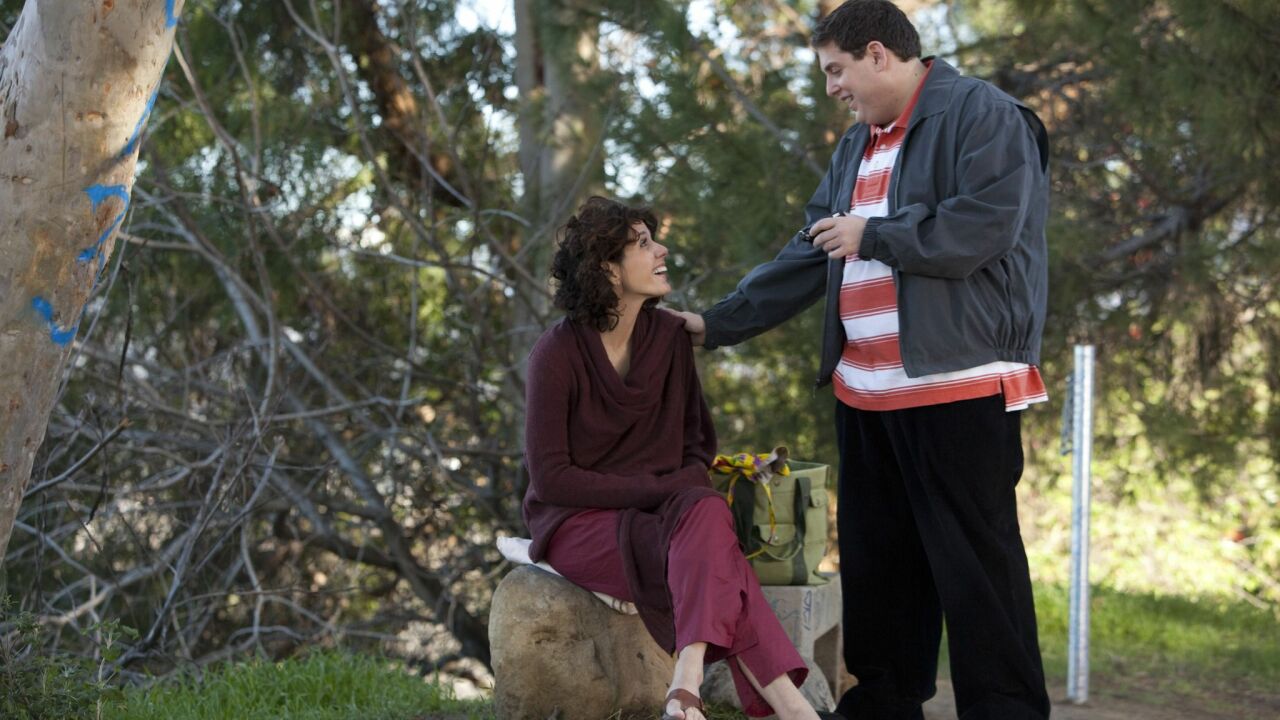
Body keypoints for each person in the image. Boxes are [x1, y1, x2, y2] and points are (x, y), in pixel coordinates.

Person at [674, 2, 1053, 719]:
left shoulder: (986, 115)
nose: (832, 89)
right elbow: (810, 251)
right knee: (881, 571)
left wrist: (873, 235)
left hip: (959, 387)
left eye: (836, 70)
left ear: (878, 53)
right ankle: (882, 707)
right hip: (866, 394)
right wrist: (716, 323)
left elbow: (984, 227)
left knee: (977, 571)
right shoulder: (856, 145)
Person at [522, 197, 834, 720]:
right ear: (607, 269)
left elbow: (697, 448)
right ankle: (793, 710)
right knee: (715, 551)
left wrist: (675, 492)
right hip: (580, 524)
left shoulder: (669, 338)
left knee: (707, 513)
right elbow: (552, 480)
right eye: (644, 243)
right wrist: (661, 489)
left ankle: (685, 682)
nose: (662, 249)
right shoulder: (555, 356)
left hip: (671, 515)